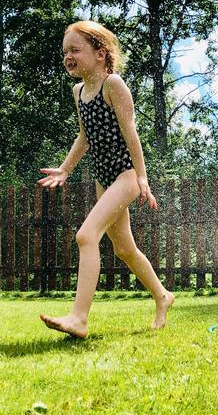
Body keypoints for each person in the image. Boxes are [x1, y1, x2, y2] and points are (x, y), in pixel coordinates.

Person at [38, 20, 174, 338]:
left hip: (125, 176)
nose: (68, 56)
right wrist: (66, 168)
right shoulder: (79, 91)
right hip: (104, 178)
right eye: (65, 52)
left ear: (100, 53)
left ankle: (79, 318)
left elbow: (131, 135)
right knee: (124, 248)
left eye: (75, 50)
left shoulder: (113, 85)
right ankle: (163, 296)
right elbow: (85, 137)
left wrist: (142, 178)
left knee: (86, 236)